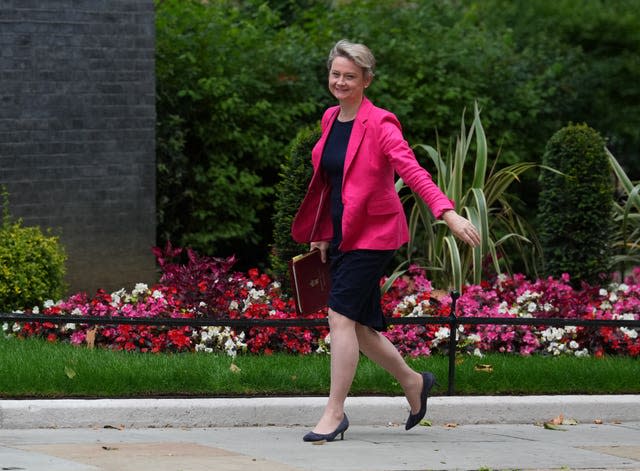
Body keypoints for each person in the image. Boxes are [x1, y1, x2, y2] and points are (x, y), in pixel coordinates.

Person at [291, 39, 481, 443]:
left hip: (373, 236)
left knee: (339, 317)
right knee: (359, 328)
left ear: (366, 80)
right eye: (335, 74)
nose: (340, 82)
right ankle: (415, 383)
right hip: (342, 233)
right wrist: (323, 233)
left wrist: (446, 213)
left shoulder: (380, 123)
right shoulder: (330, 118)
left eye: (350, 76)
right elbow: (331, 182)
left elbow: (411, 171)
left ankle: (334, 412)